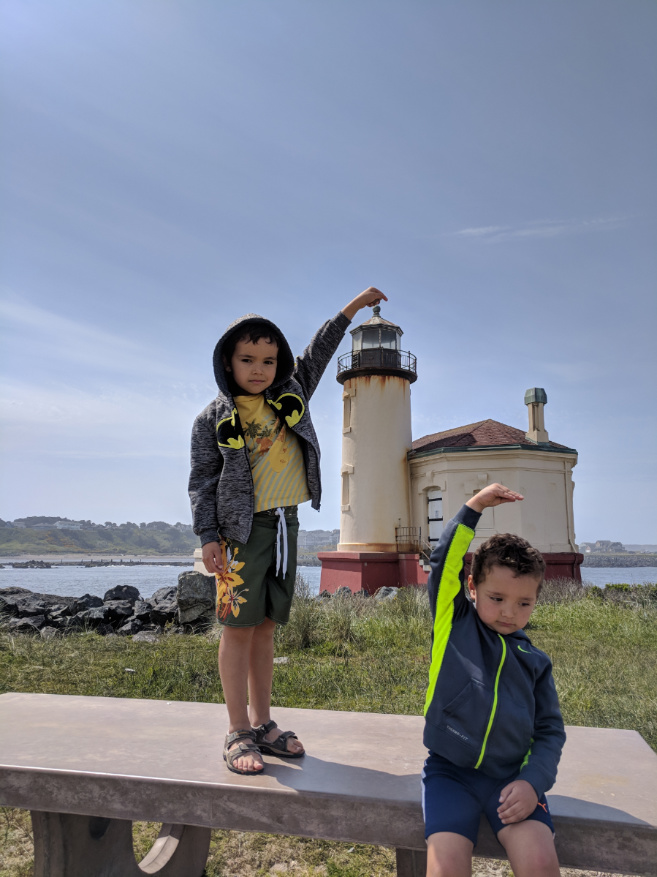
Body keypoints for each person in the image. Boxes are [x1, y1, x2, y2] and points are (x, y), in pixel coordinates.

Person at [189, 287, 387, 775]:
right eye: (247, 360)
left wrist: (352, 308)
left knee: (266, 628)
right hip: (239, 534)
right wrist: (208, 536)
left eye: (268, 360)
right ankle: (237, 730)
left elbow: (319, 349)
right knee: (237, 629)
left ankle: (262, 723)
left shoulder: (291, 393)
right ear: (228, 362)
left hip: (285, 525)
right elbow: (202, 480)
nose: (259, 369)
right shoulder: (213, 419)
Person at [422, 482, 565, 877]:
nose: (508, 613)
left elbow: (550, 731)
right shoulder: (454, 623)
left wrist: (533, 782)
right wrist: (474, 506)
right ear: (472, 587)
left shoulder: (535, 662)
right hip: (450, 774)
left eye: (524, 603)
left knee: (540, 863)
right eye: (497, 598)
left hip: (512, 779)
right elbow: (443, 563)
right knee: (445, 868)